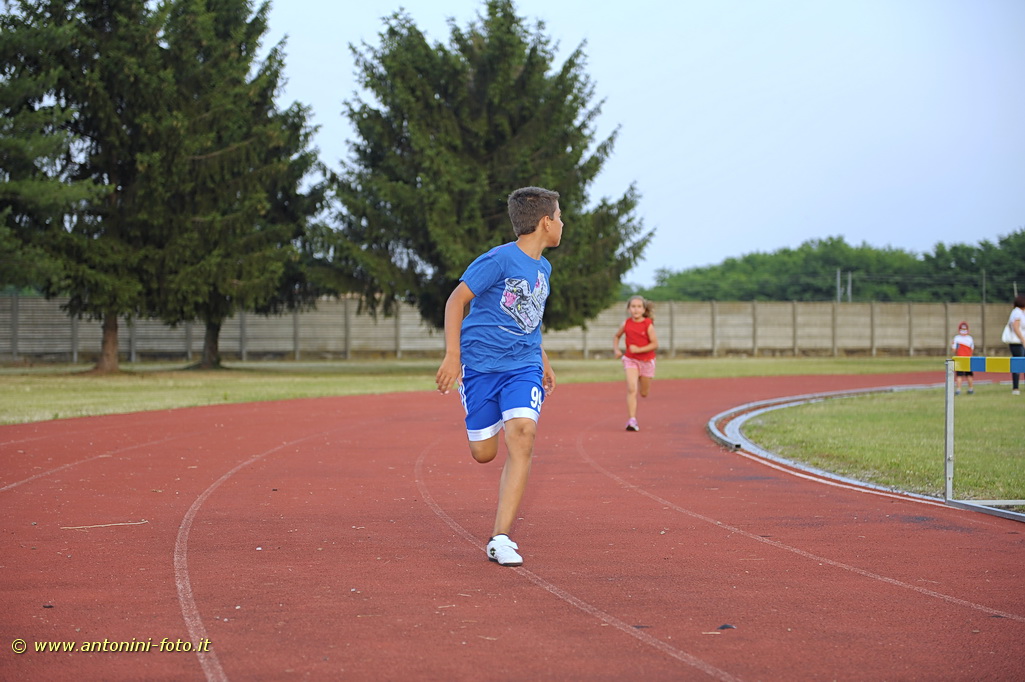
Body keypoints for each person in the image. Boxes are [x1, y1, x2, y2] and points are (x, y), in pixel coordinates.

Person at [435, 186, 562, 567]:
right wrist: (453, 356)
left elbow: (530, 320)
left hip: (522, 366)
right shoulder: (498, 260)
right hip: (480, 367)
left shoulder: (543, 268)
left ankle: (500, 538)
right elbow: (456, 300)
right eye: (560, 217)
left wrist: (543, 359)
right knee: (484, 454)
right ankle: (480, 418)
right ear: (546, 222)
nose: (562, 224)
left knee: (523, 433)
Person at [613, 295, 659, 431]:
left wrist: (639, 349)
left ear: (644, 309)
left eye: (639, 307)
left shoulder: (648, 324)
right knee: (632, 388)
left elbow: (655, 344)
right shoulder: (626, 324)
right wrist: (616, 350)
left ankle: (642, 379)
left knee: (644, 393)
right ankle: (632, 420)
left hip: (647, 361)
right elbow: (616, 336)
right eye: (633, 307)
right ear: (628, 309)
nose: (636, 309)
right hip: (631, 360)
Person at [950, 321, 974, 395]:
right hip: (968, 359)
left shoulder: (956, 338)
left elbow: (954, 350)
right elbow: (972, 349)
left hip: (960, 359)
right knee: (969, 374)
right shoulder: (970, 338)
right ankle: (970, 389)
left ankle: (958, 390)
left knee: (959, 375)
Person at [1007, 295, 1025, 395]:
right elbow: (1016, 327)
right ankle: (1015, 388)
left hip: (1021, 342)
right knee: (1018, 364)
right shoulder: (1017, 312)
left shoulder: (1021, 312)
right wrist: (1023, 340)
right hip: (1017, 343)